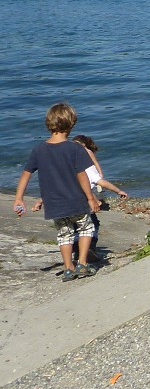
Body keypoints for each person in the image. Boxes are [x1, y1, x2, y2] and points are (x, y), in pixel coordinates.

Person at [12, 103, 101, 282]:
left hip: (55, 204)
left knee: (64, 234)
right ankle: (82, 263)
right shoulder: (74, 148)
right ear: (71, 124)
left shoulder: (39, 149)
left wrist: (19, 198)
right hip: (76, 200)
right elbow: (82, 175)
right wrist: (91, 198)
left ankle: (68, 268)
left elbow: (26, 173)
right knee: (86, 228)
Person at [72, 134, 129, 262]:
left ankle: (77, 252)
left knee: (76, 226)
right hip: (83, 203)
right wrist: (118, 191)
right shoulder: (86, 167)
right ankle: (89, 249)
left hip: (69, 202)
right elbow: (102, 182)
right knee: (93, 225)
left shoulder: (70, 164)